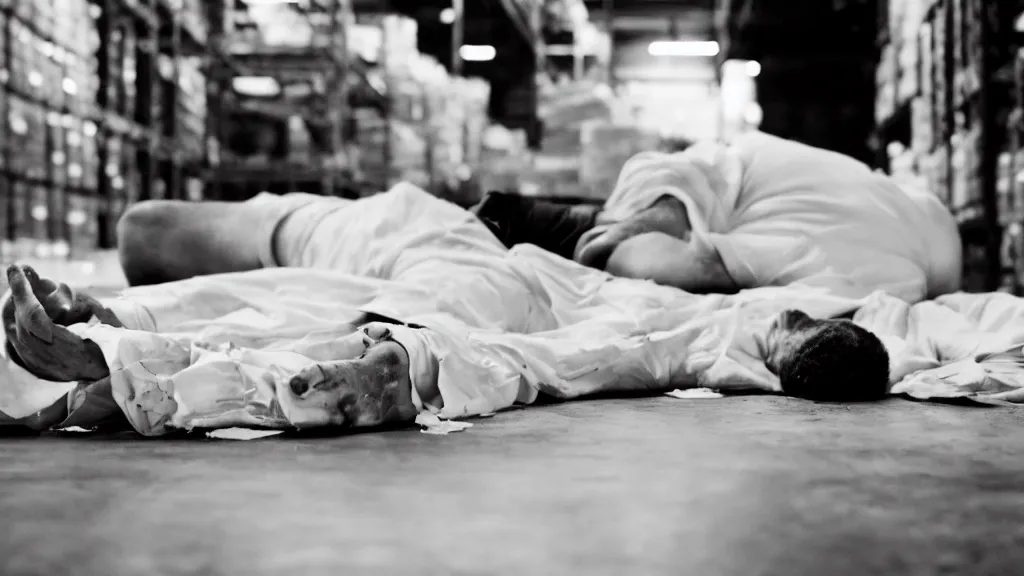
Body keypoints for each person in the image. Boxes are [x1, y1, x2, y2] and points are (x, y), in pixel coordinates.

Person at [2, 178, 892, 435]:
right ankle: (127, 335)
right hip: (432, 246)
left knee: (384, 296)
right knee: (396, 299)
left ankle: (125, 334)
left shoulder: (725, 252)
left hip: (426, 238)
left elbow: (638, 250)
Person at [116, 131, 962, 305]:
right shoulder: (882, 265)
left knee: (152, 233)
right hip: (493, 245)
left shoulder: (843, 179)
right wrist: (638, 236)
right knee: (148, 235)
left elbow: (677, 175)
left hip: (506, 240)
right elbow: (651, 262)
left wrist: (645, 225)